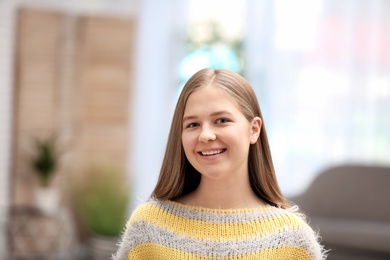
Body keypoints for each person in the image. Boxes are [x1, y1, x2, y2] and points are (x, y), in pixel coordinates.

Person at [113, 68, 326, 259]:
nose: (205, 135)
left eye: (221, 120)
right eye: (193, 124)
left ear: (254, 129)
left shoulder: (293, 241)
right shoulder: (148, 228)